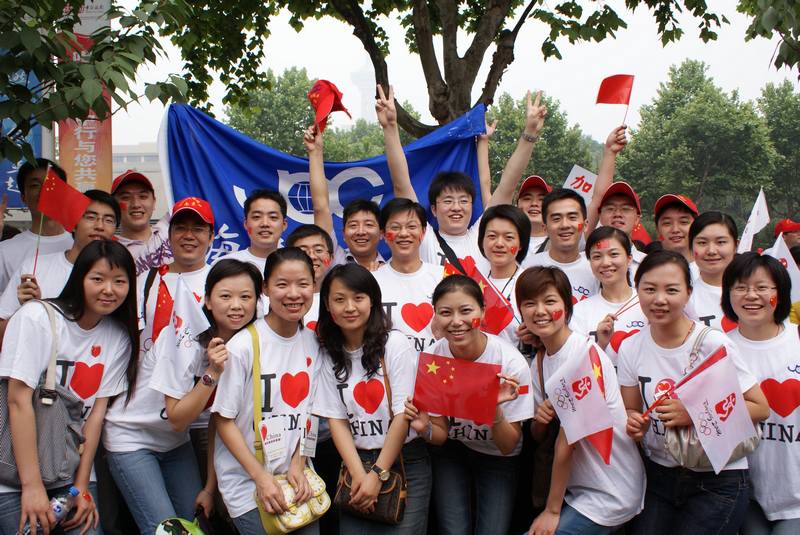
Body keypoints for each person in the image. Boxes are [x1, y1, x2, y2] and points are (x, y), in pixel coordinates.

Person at [617, 250, 769, 535]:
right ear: (637, 290)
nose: (659, 299)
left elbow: (759, 407)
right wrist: (634, 423)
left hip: (717, 477)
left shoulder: (712, 344)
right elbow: (631, 409)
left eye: (671, 290)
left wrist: (694, 413)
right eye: (649, 289)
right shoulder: (630, 347)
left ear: (688, 293)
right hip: (659, 475)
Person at [0, 240, 139, 535]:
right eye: (98, 279)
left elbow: (95, 417)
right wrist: (32, 487)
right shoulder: (36, 317)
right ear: (79, 278)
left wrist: (81, 486)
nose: (109, 290)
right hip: (13, 473)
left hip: (68, 472)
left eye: (119, 281)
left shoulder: (118, 337)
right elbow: (18, 401)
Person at [102, 197, 215, 534]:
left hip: (180, 434)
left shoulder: (222, 284)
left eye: (198, 228)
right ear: (170, 234)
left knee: (196, 523)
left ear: (211, 236)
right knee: (165, 529)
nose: (189, 235)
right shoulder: (144, 282)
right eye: (181, 228)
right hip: (133, 427)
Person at [516, 266, 645, 534]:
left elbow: (568, 441)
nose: (540, 311)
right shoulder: (540, 362)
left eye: (549, 301)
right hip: (577, 488)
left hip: (611, 490)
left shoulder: (582, 356)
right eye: (529, 304)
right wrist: (541, 420)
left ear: (567, 306)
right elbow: (539, 434)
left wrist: (552, 511)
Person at [404, 275, 533, 535]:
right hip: (452, 450)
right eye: (445, 312)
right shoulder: (433, 358)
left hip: (497, 455)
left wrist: (493, 409)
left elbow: (508, 446)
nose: (456, 321)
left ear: (482, 312)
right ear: (435, 316)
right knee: (453, 529)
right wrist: (424, 428)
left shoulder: (510, 362)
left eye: (465, 311)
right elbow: (440, 435)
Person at [313, 263, 431, 533]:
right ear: (328, 306)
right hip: (355, 464)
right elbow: (337, 420)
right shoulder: (329, 353)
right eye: (339, 300)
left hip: (404, 461)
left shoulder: (395, 344)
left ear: (373, 301)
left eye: (358, 298)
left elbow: (403, 414)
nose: (350, 307)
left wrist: (377, 475)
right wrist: (359, 475)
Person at [211, 247, 321, 535]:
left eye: (303, 284)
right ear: (266, 289)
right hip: (247, 484)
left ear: (314, 286)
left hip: (297, 479)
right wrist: (260, 478)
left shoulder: (314, 343)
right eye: (282, 284)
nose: (293, 294)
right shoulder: (243, 345)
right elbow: (223, 420)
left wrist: (299, 462)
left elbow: (313, 412)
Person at [377, 85, 542, 274]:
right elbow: (401, 184)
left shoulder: (483, 236)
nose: (456, 207)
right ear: (434, 209)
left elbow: (508, 185)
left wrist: (530, 133)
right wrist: (390, 127)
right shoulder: (424, 238)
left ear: (472, 205)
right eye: (448, 201)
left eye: (464, 201)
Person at [150, 259, 263, 529]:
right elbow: (177, 419)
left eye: (245, 297)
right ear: (208, 301)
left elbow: (219, 419)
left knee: (202, 520)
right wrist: (212, 371)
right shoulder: (185, 338)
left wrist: (210, 488)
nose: (236, 305)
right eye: (225, 296)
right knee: (167, 525)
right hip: (137, 434)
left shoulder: (246, 342)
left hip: (178, 442)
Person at [722, 253, 800, 534]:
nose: (751, 295)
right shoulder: (718, 350)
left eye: (762, 287)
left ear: (781, 292)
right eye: (741, 287)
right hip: (744, 492)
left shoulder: (796, 338)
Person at [0, 190, 121, 342]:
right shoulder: (33, 268)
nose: (100, 226)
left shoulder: (120, 276)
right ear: (74, 224)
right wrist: (29, 310)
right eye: (90, 217)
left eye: (109, 220)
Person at [304, 125, 385, 271]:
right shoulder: (334, 260)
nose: (361, 231)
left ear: (381, 233)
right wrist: (315, 153)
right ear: (343, 234)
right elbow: (321, 208)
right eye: (353, 225)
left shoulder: (392, 270)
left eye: (369, 224)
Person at [371, 198, 443, 352]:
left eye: (411, 227)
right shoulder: (372, 282)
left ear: (423, 232)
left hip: (437, 364)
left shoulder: (443, 277)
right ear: (383, 234)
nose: (404, 233)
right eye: (395, 227)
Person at [571, 226, 647, 365]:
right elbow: (576, 367)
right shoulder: (579, 313)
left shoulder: (648, 304)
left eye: (614, 254)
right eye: (597, 257)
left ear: (629, 258)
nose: (605, 263)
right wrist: (600, 344)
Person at [0, 159, 73, 291]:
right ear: (23, 197)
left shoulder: (79, 246)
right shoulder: (5, 251)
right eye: (35, 185)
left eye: (52, 184)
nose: (44, 190)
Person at [521, 189, 599, 304]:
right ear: (545, 228)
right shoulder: (526, 268)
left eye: (572, 217)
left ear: (585, 225)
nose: (565, 225)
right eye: (556, 219)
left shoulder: (597, 269)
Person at [476, 204, 530, 345]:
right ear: (482, 241)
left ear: (521, 244)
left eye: (509, 237)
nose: (499, 243)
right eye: (492, 236)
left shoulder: (532, 285)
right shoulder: (473, 283)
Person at [684, 211, 739, 332]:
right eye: (702, 243)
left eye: (721, 242)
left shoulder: (755, 294)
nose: (711, 251)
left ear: (735, 245)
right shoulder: (684, 299)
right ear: (691, 247)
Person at [111, 170, 173, 275]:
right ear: (113, 206)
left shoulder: (170, 228)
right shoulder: (110, 253)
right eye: (126, 197)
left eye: (143, 196)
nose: (136, 204)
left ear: (154, 202)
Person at [218, 189, 288, 274]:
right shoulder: (224, 265)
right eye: (256, 217)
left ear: (284, 224)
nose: (265, 224)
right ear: (246, 223)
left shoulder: (295, 265)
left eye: (273, 217)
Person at [286, 223, 335, 329]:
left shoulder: (339, 298)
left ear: (331, 258)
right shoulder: (275, 299)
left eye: (318, 250)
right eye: (303, 251)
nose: (312, 256)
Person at [596, 181, 647, 271]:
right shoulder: (585, 263)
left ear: (637, 219)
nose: (617, 214)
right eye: (610, 208)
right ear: (600, 216)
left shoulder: (650, 266)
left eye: (625, 209)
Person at [653, 193, 699, 270]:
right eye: (667, 223)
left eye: (683, 222)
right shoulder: (649, 271)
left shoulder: (710, 271)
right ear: (657, 229)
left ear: (697, 226)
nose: (675, 230)